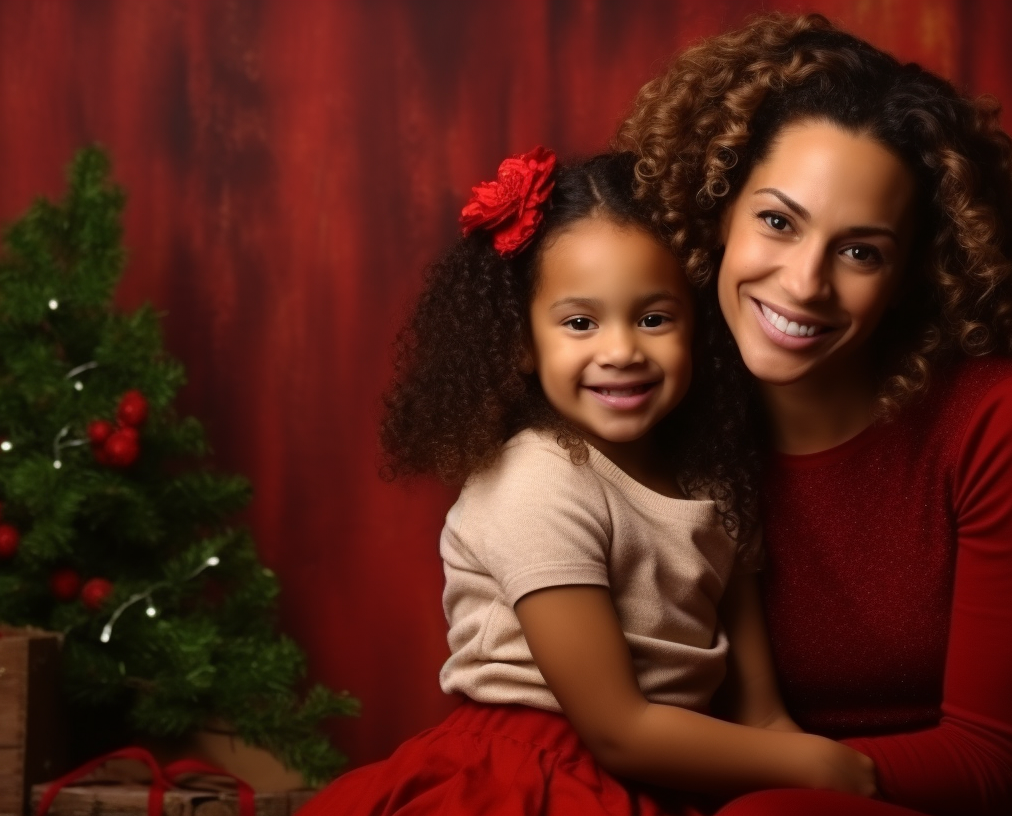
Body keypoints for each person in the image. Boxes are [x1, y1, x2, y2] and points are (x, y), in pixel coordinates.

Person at [614, 14, 1012, 816]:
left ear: (915, 273)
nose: (805, 283)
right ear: (717, 212)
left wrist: (742, 779)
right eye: (777, 221)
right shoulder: (660, 411)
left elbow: (987, 762)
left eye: (860, 251)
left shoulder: (995, 417)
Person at [298, 151, 902, 815]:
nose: (620, 351)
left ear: (699, 330)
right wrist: (818, 764)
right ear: (523, 343)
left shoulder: (716, 483)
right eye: (580, 322)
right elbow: (617, 728)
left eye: (653, 318)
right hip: (531, 777)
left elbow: (760, 721)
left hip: (674, 775)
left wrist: (828, 776)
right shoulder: (537, 480)